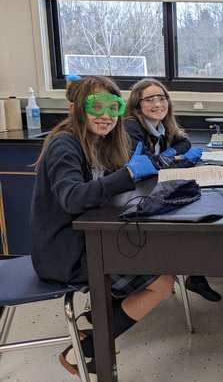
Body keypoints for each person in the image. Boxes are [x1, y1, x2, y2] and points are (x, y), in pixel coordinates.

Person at [30, 76, 173, 379]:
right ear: (76, 108)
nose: (106, 115)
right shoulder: (64, 145)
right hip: (64, 253)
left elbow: (113, 191)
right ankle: (88, 348)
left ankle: (94, 321)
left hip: (92, 240)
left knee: (160, 256)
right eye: (97, 106)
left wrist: (138, 178)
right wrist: (127, 175)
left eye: (114, 106)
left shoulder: (103, 143)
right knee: (161, 283)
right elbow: (72, 198)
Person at [125, 78, 221, 302]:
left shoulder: (161, 125)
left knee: (196, 207)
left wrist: (169, 156)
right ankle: (189, 273)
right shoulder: (131, 126)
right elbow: (145, 163)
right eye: (150, 99)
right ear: (138, 105)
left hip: (155, 186)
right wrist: (173, 158)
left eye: (162, 98)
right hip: (135, 197)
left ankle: (195, 275)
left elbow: (184, 143)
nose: (158, 104)